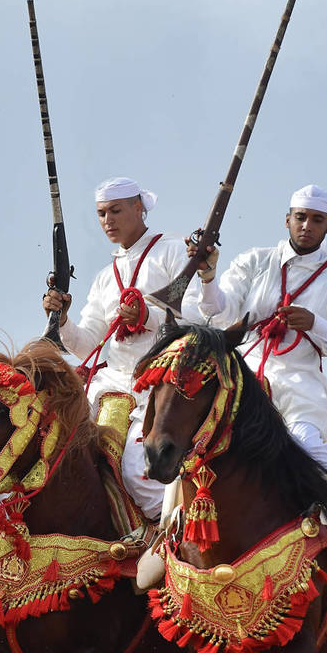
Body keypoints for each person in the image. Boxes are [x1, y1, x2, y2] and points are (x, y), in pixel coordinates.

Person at [182, 183, 327, 572]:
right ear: (287, 220)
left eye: (316, 220)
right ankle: (165, 535)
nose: (306, 226)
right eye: (300, 218)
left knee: (304, 444)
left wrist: (317, 324)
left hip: (299, 389)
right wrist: (209, 276)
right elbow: (216, 313)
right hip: (241, 386)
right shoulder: (254, 262)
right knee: (187, 445)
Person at [43, 177, 196, 521]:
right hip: (112, 385)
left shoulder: (170, 251)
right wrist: (62, 319)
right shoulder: (104, 277)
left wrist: (149, 316)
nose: (107, 220)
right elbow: (88, 345)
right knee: (62, 455)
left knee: (138, 475)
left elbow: (199, 318)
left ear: (139, 207)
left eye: (115, 210)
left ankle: (170, 545)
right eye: (100, 214)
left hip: (162, 386)